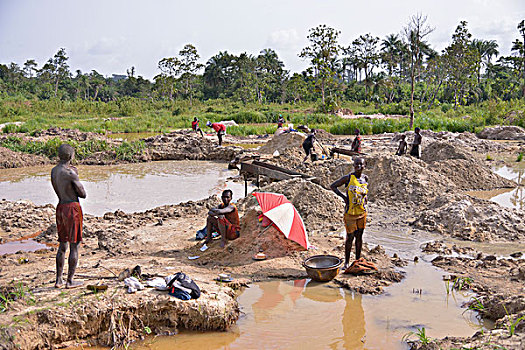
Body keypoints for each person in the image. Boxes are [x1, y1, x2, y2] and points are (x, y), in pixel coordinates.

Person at [50, 144, 87, 289]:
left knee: (62, 244)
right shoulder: (70, 173)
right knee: (74, 245)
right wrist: (76, 175)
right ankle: (70, 281)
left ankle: (58, 280)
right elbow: (83, 194)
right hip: (72, 208)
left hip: (60, 207)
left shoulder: (54, 171)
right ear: (71, 156)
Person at [330, 157, 368, 270]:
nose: (358, 167)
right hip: (350, 213)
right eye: (356, 165)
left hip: (362, 212)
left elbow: (364, 193)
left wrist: (365, 201)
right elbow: (333, 186)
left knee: (359, 237)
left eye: (361, 165)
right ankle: (346, 262)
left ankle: (357, 260)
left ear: (364, 165)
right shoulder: (348, 178)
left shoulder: (365, 178)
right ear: (353, 166)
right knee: (350, 237)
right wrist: (344, 198)